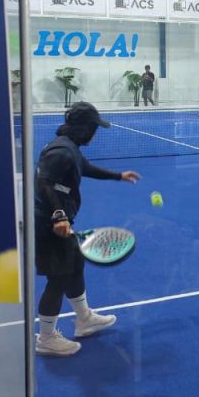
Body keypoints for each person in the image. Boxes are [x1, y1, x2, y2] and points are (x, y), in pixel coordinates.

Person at [34, 102, 141, 356]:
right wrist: (58, 216)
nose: (95, 133)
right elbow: (44, 183)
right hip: (49, 226)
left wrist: (118, 175)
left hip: (58, 222)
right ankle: (46, 337)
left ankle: (84, 319)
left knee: (74, 265)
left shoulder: (69, 148)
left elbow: (86, 168)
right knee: (58, 278)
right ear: (84, 129)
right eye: (94, 128)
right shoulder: (61, 151)